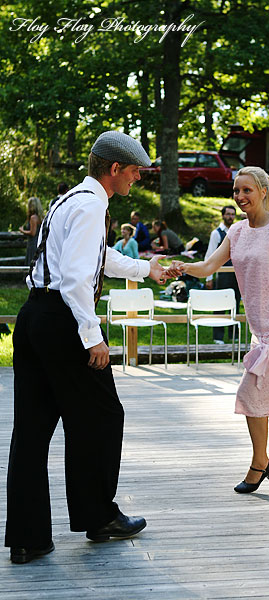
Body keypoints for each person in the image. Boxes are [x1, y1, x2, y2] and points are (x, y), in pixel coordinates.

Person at [5, 131, 179, 565]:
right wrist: (93, 335)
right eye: (135, 171)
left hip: (33, 319)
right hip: (63, 321)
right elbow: (77, 280)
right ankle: (99, 517)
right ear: (115, 169)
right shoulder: (91, 206)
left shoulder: (69, 200)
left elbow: (91, 259)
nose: (139, 178)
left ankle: (28, 538)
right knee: (103, 415)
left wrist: (145, 268)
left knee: (32, 429)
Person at [172, 166, 269, 498]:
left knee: (253, 395)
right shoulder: (236, 232)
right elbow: (208, 266)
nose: (239, 197)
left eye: (246, 191)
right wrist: (180, 266)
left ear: (264, 191)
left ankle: (261, 463)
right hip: (261, 330)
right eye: (236, 191)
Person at [204, 205, 241, 344]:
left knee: (235, 303)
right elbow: (209, 255)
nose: (230, 217)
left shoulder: (237, 232)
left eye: (233, 214)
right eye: (228, 214)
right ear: (223, 215)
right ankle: (218, 336)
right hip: (221, 273)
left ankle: (234, 335)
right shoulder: (216, 233)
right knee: (220, 304)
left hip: (235, 273)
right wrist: (209, 277)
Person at [18, 197, 44, 266]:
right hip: (39, 243)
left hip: (33, 244)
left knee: (31, 264)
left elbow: (33, 233)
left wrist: (22, 230)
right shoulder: (40, 217)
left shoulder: (33, 218)